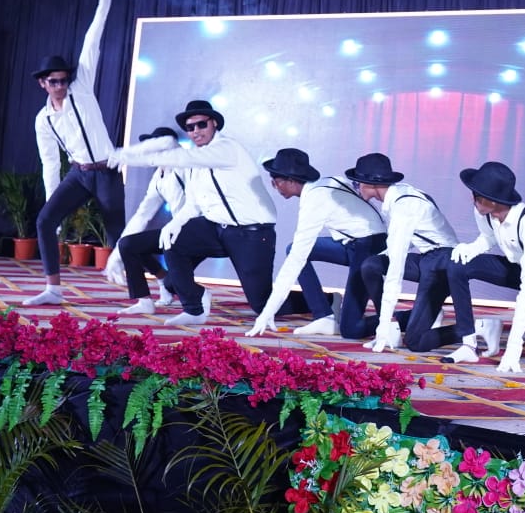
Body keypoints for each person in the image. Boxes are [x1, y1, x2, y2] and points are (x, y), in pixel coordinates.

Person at [108, 99, 279, 326]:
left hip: (251, 233)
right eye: (190, 127)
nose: (196, 131)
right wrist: (175, 223)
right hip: (216, 227)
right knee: (170, 241)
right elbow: (194, 203)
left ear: (214, 123)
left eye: (201, 124)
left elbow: (183, 157)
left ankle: (320, 303)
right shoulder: (196, 160)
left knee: (262, 303)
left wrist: (129, 156)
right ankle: (194, 307)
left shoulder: (226, 148)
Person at [21, 0, 125, 307]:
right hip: (79, 173)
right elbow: (50, 163)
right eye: (53, 81)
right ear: (43, 83)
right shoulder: (44, 119)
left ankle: (163, 284)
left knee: (120, 235)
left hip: (106, 171)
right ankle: (53, 289)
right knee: (44, 220)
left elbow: (92, 41)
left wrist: (104, 1)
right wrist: (53, 202)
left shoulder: (82, 89)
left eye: (64, 79)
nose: (60, 85)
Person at [246, 148, 388, 339]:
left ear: (291, 181)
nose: (275, 187)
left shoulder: (315, 200)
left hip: (369, 247)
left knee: (351, 329)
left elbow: (295, 260)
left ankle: (409, 318)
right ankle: (324, 316)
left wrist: (267, 312)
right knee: (293, 248)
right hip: (353, 243)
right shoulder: (326, 183)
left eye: (276, 181)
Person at [444, 160, 525, 369]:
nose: (472, 199)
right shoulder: (483, 211)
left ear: (492, 201)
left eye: (477, 195)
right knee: (458, 264)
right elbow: (488, 237)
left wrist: (513, 347)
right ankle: (468, 342)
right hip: (514, 265)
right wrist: (470, 249)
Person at [349, 153, 462, 353]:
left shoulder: (403, 207)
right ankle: (395, 324)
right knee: (371, 265)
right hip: (428, 258)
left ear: (371, 184)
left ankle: (477, 328)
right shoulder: (398, 194)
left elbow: (396, 269)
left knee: (416, 341)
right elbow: (404, 243)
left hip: (443, 265)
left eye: (357, 183)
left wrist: (382, 326)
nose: (356, 188)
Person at [105, 126, 186, 312]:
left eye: (153, 145)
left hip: (198, 230)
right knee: (129, 245)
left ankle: (181, 288)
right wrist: (116, 256)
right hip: (178, 231)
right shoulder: (158, 176)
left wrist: (123, 154)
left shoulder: (183, 163)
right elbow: (142, 215)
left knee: (177, 283)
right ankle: (147, 299)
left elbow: (167, 142)